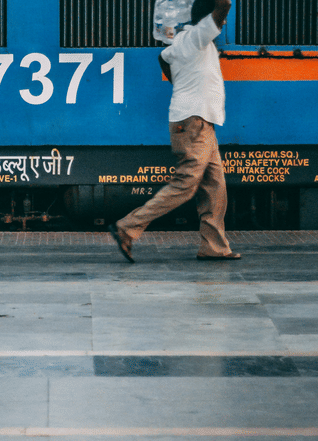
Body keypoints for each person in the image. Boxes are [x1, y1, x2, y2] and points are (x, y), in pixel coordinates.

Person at [109, 0, 240, 262]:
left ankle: (213, 247)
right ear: (204, 20)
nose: (222, 24)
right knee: (185, 185)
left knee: (215, 187)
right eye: (217, 21)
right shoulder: (197, 36)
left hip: (198, 121)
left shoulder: (178, 44)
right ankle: (128, 226)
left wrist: (184, 85)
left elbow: (162, 58)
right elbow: (224, 5)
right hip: (194, 123)